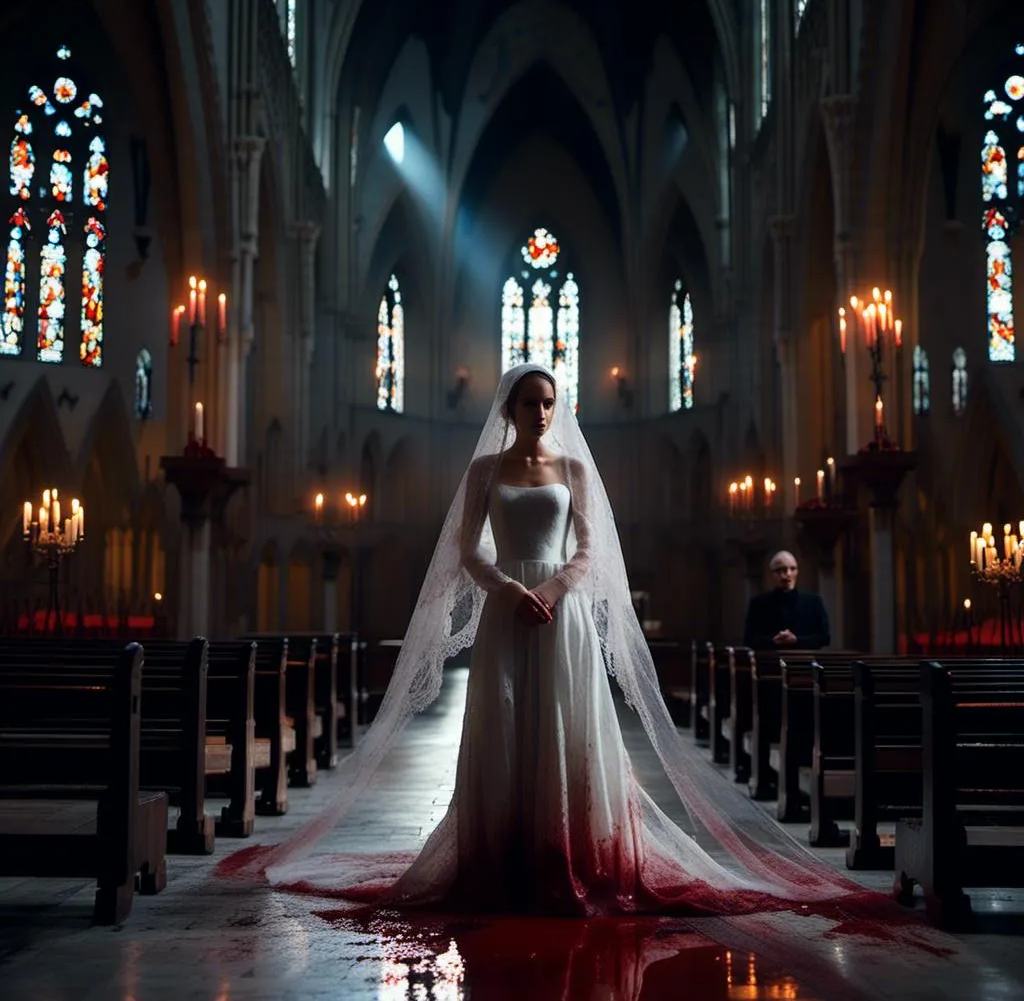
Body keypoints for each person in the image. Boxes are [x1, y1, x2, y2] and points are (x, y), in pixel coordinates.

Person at [228, 364, 858, 917]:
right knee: (505, 719)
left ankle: (571, 849)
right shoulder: (484, 470)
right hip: (508, 609)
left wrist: (553, 591)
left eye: (549, 403)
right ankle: (506, 852)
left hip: (562, 612)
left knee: (567, 718)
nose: (540, 412)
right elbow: (465, 547)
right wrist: (506, 588)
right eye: (529, 402)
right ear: (509, 408)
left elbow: (590, 548)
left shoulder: (574, 468)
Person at [743, 550, 831, 652]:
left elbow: (824, 638)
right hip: (771, 662)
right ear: (773, 574)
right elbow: (749, 640)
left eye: (793, 569)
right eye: (782, 570)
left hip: (804, 662)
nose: (788, 574)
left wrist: (797, 640)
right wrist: (772, 641)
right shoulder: (758, 604)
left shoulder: (814, 602)